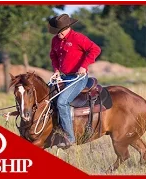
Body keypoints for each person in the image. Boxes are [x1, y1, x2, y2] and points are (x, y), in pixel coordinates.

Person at [48, 14, 101, 148]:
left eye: (61, 31)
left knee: (61, 102)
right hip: (63, 77)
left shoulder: (78, 38)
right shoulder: (55, 40)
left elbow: (95, 49)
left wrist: (84, 66)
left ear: (68, 27)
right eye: (57, 31)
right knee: (46, 99)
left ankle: (70, 138)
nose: (58, 34)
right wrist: (56, 70)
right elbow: (53, 56)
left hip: (78, 78)